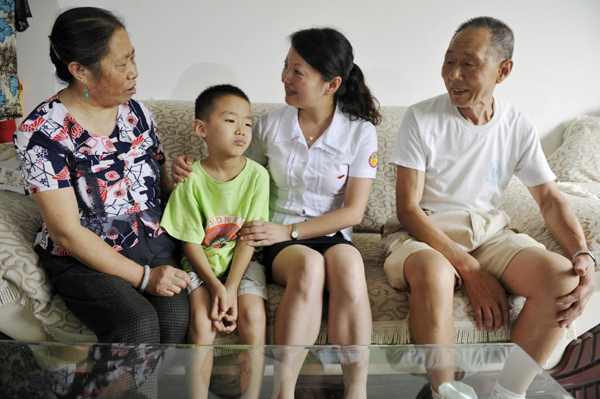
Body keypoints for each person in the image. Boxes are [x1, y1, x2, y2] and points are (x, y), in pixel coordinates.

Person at [382, 16, 596, 399]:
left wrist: (582, 252)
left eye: (469, 63)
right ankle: (444, 392)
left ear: (503, 70)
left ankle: (507, 393)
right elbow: (408, 209)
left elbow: (549, 199)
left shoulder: (517, 125)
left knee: (563, 279)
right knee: (434, 274)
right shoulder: (421, 117)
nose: (454, 74)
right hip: (424, 231)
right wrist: (471, 269)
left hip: (487, 231)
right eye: (449, 61)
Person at [172, 27, 380, 399]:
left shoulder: (360, 132)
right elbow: (229, 173)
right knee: (309, 267)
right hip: (274, 234)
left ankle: (357, 391)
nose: (285, 77)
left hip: (325, 232)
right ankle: (284, 392)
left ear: (330, 84)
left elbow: (354, 212)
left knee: (349, 265)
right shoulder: (268, 126)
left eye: (297, 71)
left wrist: (293, 232)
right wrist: (186, 167)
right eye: (286, 67)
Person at [13, 7, 190, 346]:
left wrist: (181, 177)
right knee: (137, 323)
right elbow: (65, 231)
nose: (134, 72)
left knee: (175, 317)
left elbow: (160, 187)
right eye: (121, 64)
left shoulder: (138, 114)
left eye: (133, 59)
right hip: (84, 256)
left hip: (152, 243)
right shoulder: (42, 132)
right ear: (79, 70)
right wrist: (143, 278)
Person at [160, 84, 269, 399]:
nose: (242, 130)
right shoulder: (189, 176)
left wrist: (231, 287)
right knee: (204, 320)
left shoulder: (257, 176)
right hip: (200, 263)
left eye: (248, 123)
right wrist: (215, 286)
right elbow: (190, 244)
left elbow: (249, 237)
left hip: (242, 263)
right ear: (201, 129)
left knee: (253, 317)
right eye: (230, 120)